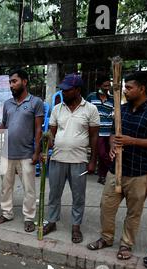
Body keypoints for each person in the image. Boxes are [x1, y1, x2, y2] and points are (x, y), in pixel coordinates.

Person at [87, 72, 147, 260]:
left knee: (134, 212)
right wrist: (114, 144)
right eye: (124, 87)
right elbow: (114, 134)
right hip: (116, 169)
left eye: (129, 88)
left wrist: (132, 141)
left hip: (140, 172)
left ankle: (126, 245)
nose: (125, 91)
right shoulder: (120, 109)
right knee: (106, 205)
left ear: (142, 88)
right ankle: (106, 238)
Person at [43, 74, 100, 243]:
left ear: (77, 90)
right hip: (57, 159)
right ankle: (52, 221)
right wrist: (45, 147)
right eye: (62, 89)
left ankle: (76, 226)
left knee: (78, 196)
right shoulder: (57, 109)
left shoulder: (91, 109)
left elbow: (95, 137)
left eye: (67, 90)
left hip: (79, 161)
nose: (63, 93)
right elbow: (51, 133)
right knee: (54, 194)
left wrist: (92, 161)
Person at [0, 69, 44, 233]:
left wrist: (37, 152)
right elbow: (4, 126)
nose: (11, 85)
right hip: (7, 152)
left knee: (29, 189)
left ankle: (29, 218)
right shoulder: (7, 103)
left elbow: (38, 130)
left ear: (24, 82)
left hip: (27, 153)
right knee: (6, 187)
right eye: (10, 82)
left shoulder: (35, 102)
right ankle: (7, 213)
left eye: (14, 81)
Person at [86, 76, 114, 185]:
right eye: (105, 85)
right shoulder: (91, 97)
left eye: (108, 85)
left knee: (105, 154)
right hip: (97, 131)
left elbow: (114, 112)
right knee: (102, 154)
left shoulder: (112, 99)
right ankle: (113, 171)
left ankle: (102, 176)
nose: (107, 88)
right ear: (99, 86)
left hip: (108, 131)